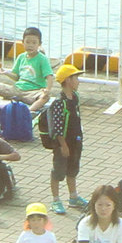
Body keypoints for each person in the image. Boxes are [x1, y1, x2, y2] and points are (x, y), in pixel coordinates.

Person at [40, 65, 86, 211]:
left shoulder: (75, 97)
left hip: (75, 141)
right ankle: (56, 200)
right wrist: (63, 145)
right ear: (67, 80)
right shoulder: (59, 102)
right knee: (58, 171)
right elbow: (57, 127)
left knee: (72, 169)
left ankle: (73, 197)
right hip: (63, 144)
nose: (78, 81)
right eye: (76, 78)